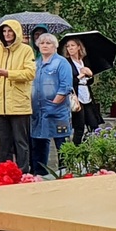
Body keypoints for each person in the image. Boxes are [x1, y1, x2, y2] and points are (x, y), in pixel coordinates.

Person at [0, 20, 37, 170]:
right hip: (0, 105)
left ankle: (23, 172)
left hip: (19, 104)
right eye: (4, 31)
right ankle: (4, 173)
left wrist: (9, 74)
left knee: (21, 142)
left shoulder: (26, 50)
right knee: (4, 142)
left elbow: (30, 73)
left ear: (16, 32)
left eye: (10, 31)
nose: (7, 34)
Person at [29, 30, 75, 174]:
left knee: (62, 143)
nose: (45, 46)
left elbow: (65, 87)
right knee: (38, 143)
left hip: (58, 112)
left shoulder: (62, 63)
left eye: (48, 43)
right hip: (38, 112)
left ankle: (64, 172)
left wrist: (54, 104)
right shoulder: (35, 64)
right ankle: (40, 174)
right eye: (42, 43)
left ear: (55, 46)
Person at [58, 36, 103, 144]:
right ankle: (76, 151)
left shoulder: (84, 61)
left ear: (79, 47)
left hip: (86, 95)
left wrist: (90, 75)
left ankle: (90, 145)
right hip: (76, 96)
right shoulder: (66, 63)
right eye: (68, 46)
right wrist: (81, 75)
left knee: (94, 125)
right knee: (79, 127)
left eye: (72, 46)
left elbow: (90, 80)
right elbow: (68, 81)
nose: (70, 48)